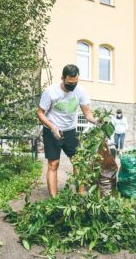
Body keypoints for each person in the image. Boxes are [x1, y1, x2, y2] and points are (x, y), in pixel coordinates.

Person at [37, 64, 98, 197]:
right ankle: (54, 199)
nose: (72, 86)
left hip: (70, 131)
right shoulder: (50, 91)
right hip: (51, 131)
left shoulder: (80, 91)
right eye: (70, 83)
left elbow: (87, 113)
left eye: (75, 83)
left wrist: (96, 121)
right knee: (54, 164)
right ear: (62, 78)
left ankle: (81, 196)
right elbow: (40, 113)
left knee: (78, 162)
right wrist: (52, 127)